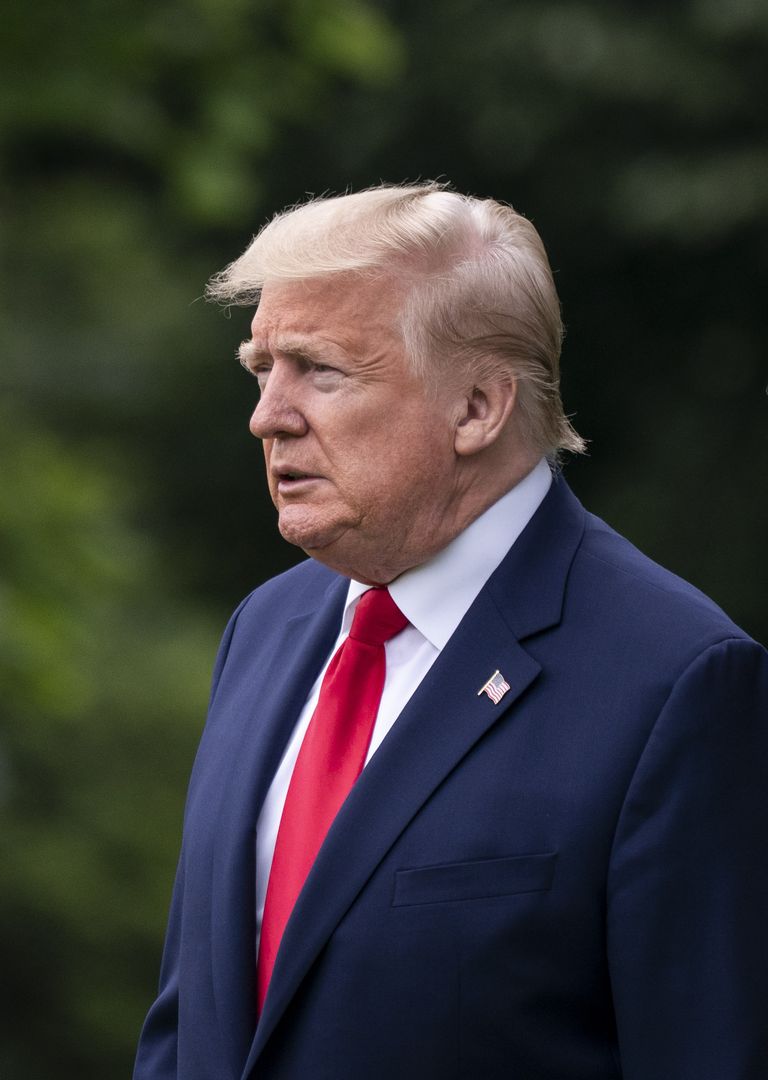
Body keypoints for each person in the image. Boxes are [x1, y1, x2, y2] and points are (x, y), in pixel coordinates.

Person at [132, 182, 768, 1080]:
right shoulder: (265, 629)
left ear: (478, 408)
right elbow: (193, 1025)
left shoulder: (678, 682)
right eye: (260, 367)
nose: (267, 414)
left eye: (320, 369)